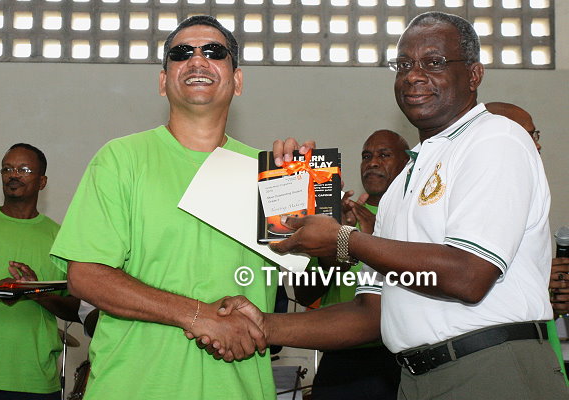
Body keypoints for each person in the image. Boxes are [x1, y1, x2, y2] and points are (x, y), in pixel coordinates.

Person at [205, 11, 569, 400]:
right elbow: (370, 314)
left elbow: (470, 276)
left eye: (434, 62)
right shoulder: (402, 185)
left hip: (490, 367)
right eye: (404, 64)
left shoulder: (495, 137)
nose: (413, 75)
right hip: (415, 378)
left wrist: (345, 240)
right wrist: (262, 324)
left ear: (474, 74)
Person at [49, 15, 311, 400]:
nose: (197, 60)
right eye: (181, 53)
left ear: (237, 80)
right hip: (132, 388)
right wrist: (198, 315)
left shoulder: (272, 174)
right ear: (162, 82)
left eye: (214, 52)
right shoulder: (120, 159)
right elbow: (86, 276)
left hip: (238, 390)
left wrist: (317, 197)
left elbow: (318, 284)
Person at [294, 130, 409, 400]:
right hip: (340, 359)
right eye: (366, 156)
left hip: (398, 358)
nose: (372, 162)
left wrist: (371, 241)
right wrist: (339, 248)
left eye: (384, 155)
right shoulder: (334, 220)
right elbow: (305, 295)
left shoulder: (414, 217)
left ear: (406, 164)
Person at [0, 143, 80, 400]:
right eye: (7, 169)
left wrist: (36, 292)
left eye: (24, 169)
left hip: (37, 381)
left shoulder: (61, 238)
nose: (13, 175)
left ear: (42, 182)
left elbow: (77, 310)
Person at [485, 101, 569, 383]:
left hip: (538, 359)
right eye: (528, 136)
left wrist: (550, 299)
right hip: (498, 364)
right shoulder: (481, 206)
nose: (538, 146)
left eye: (536, 135)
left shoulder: (526, 197)